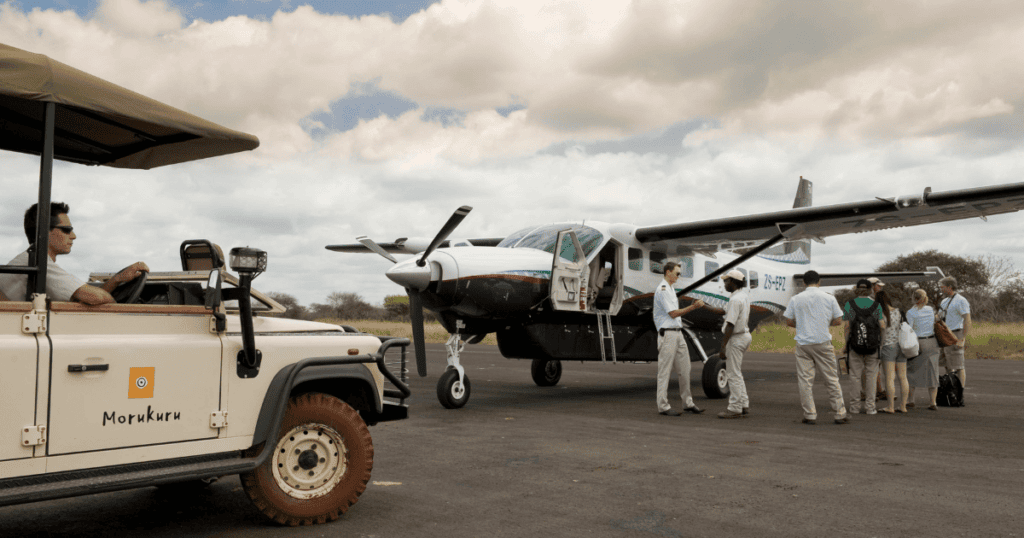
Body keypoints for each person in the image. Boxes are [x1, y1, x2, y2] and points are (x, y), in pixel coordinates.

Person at [0, 202, 148, 305]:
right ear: (44, 232)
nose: (73, 236)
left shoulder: (32, 259)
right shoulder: (38, 263)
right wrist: (120, 313)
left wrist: (117, 279)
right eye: (66, 230)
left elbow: (82, 297)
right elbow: (96, 297)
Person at [783, 270, 849, 425]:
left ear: (804, 283)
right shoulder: (829, 297)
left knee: (805, 381)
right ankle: (840, 413)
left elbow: (789, 321)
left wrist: (803, 326)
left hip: (803, 344)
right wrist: (824, 324)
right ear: (819, 282)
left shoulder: (795, 299)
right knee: (831, 379)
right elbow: (838, 321)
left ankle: (810, 414)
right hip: (823, 342)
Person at [653, 261, 705, 416]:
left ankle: (688, 403)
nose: (678, 276)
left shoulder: (670, 289)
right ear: (668, 272)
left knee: (685, 369)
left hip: (677, 333)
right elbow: (673, 314)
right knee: (664, 372)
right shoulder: (663, 290)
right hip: (668, 334)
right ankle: (663, 406)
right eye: (677, 273)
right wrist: (693, 307)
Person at [701, 270, 751, 419]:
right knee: (736, 373)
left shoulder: (735, 300)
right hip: (744, 336)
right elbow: (722, 311)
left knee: (732, 375)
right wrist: (704, 306)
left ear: (733, 282)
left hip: (736, 338)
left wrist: (723, 347)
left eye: (726, 281)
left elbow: (730, 324)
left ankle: (735, 408)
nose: (724, 284)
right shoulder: (742, 296)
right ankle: (743, 404)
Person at [843, 279, 886, 415]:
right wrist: (881, 343)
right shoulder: (876, 305)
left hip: (855, 346)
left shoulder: (850, 304)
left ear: (856, 290)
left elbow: (847, 327)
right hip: (873, 347)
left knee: (855, 376)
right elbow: (882, 326)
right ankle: (870, 407)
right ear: (870, 290)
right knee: (871, 376)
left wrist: (845, 344)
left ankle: (854, 407)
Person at [905, 288, 940, 410]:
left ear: (914, 298)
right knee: (933, 371)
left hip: (917, 342)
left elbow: (909, 329)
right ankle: (933, 402)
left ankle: (911, 400)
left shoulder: (910, 312)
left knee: (911, 371)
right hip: (931, 342)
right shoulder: (930, 309)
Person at [876, 290, 909, 414]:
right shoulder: (899, 311)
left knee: (889, 378)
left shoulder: (881, 313)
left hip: (888, 346)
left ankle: (890, 406)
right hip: (901, 345)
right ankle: (903, 406)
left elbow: (881, 329)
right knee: (903, 377)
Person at [938, 277, 970, 392]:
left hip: (956, 334)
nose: (940, 289)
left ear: (949, 287)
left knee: (958, 365)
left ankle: (960, 392)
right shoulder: (944, 301)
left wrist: (962, 338)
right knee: (948, 364)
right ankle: (951, 388)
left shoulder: (961, 300)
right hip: (945, 335)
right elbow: (939, 317)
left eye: (942, 287)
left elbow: (967, 319)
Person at [868, 277, 887, 400]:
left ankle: (879, 390)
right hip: (872, 339)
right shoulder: (871, 301)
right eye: (878, 285)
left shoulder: (875, 299)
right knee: (869, 367)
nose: (880, 288)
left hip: (874, 338)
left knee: (875, 366)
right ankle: (868, 392)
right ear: (872, 286)